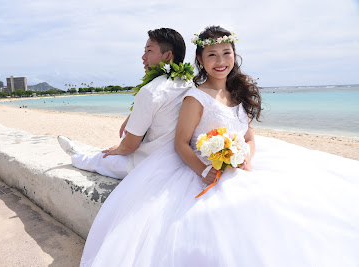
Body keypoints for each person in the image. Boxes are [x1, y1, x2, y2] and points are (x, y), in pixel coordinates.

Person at [79, 26, 359, 266]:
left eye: (227, 53)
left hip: (239, 166)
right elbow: (180, 144)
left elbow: (248, 136)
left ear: (234, 56)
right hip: (203, 169)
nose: (220, 60)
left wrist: (246, 155)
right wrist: (204, 170)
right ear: (200, 60)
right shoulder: (195, 97)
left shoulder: (238, 93)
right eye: (212, 55)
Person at [58, 28, 192, 179]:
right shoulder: (190, 83)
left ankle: (77, 156)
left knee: (101, 160)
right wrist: (133, 115)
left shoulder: (151, 91)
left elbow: (129, 146)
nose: (143, 57)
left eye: (149, 51)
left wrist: (117, 150)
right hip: (183, 161)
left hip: (151, 164)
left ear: (167, 56)